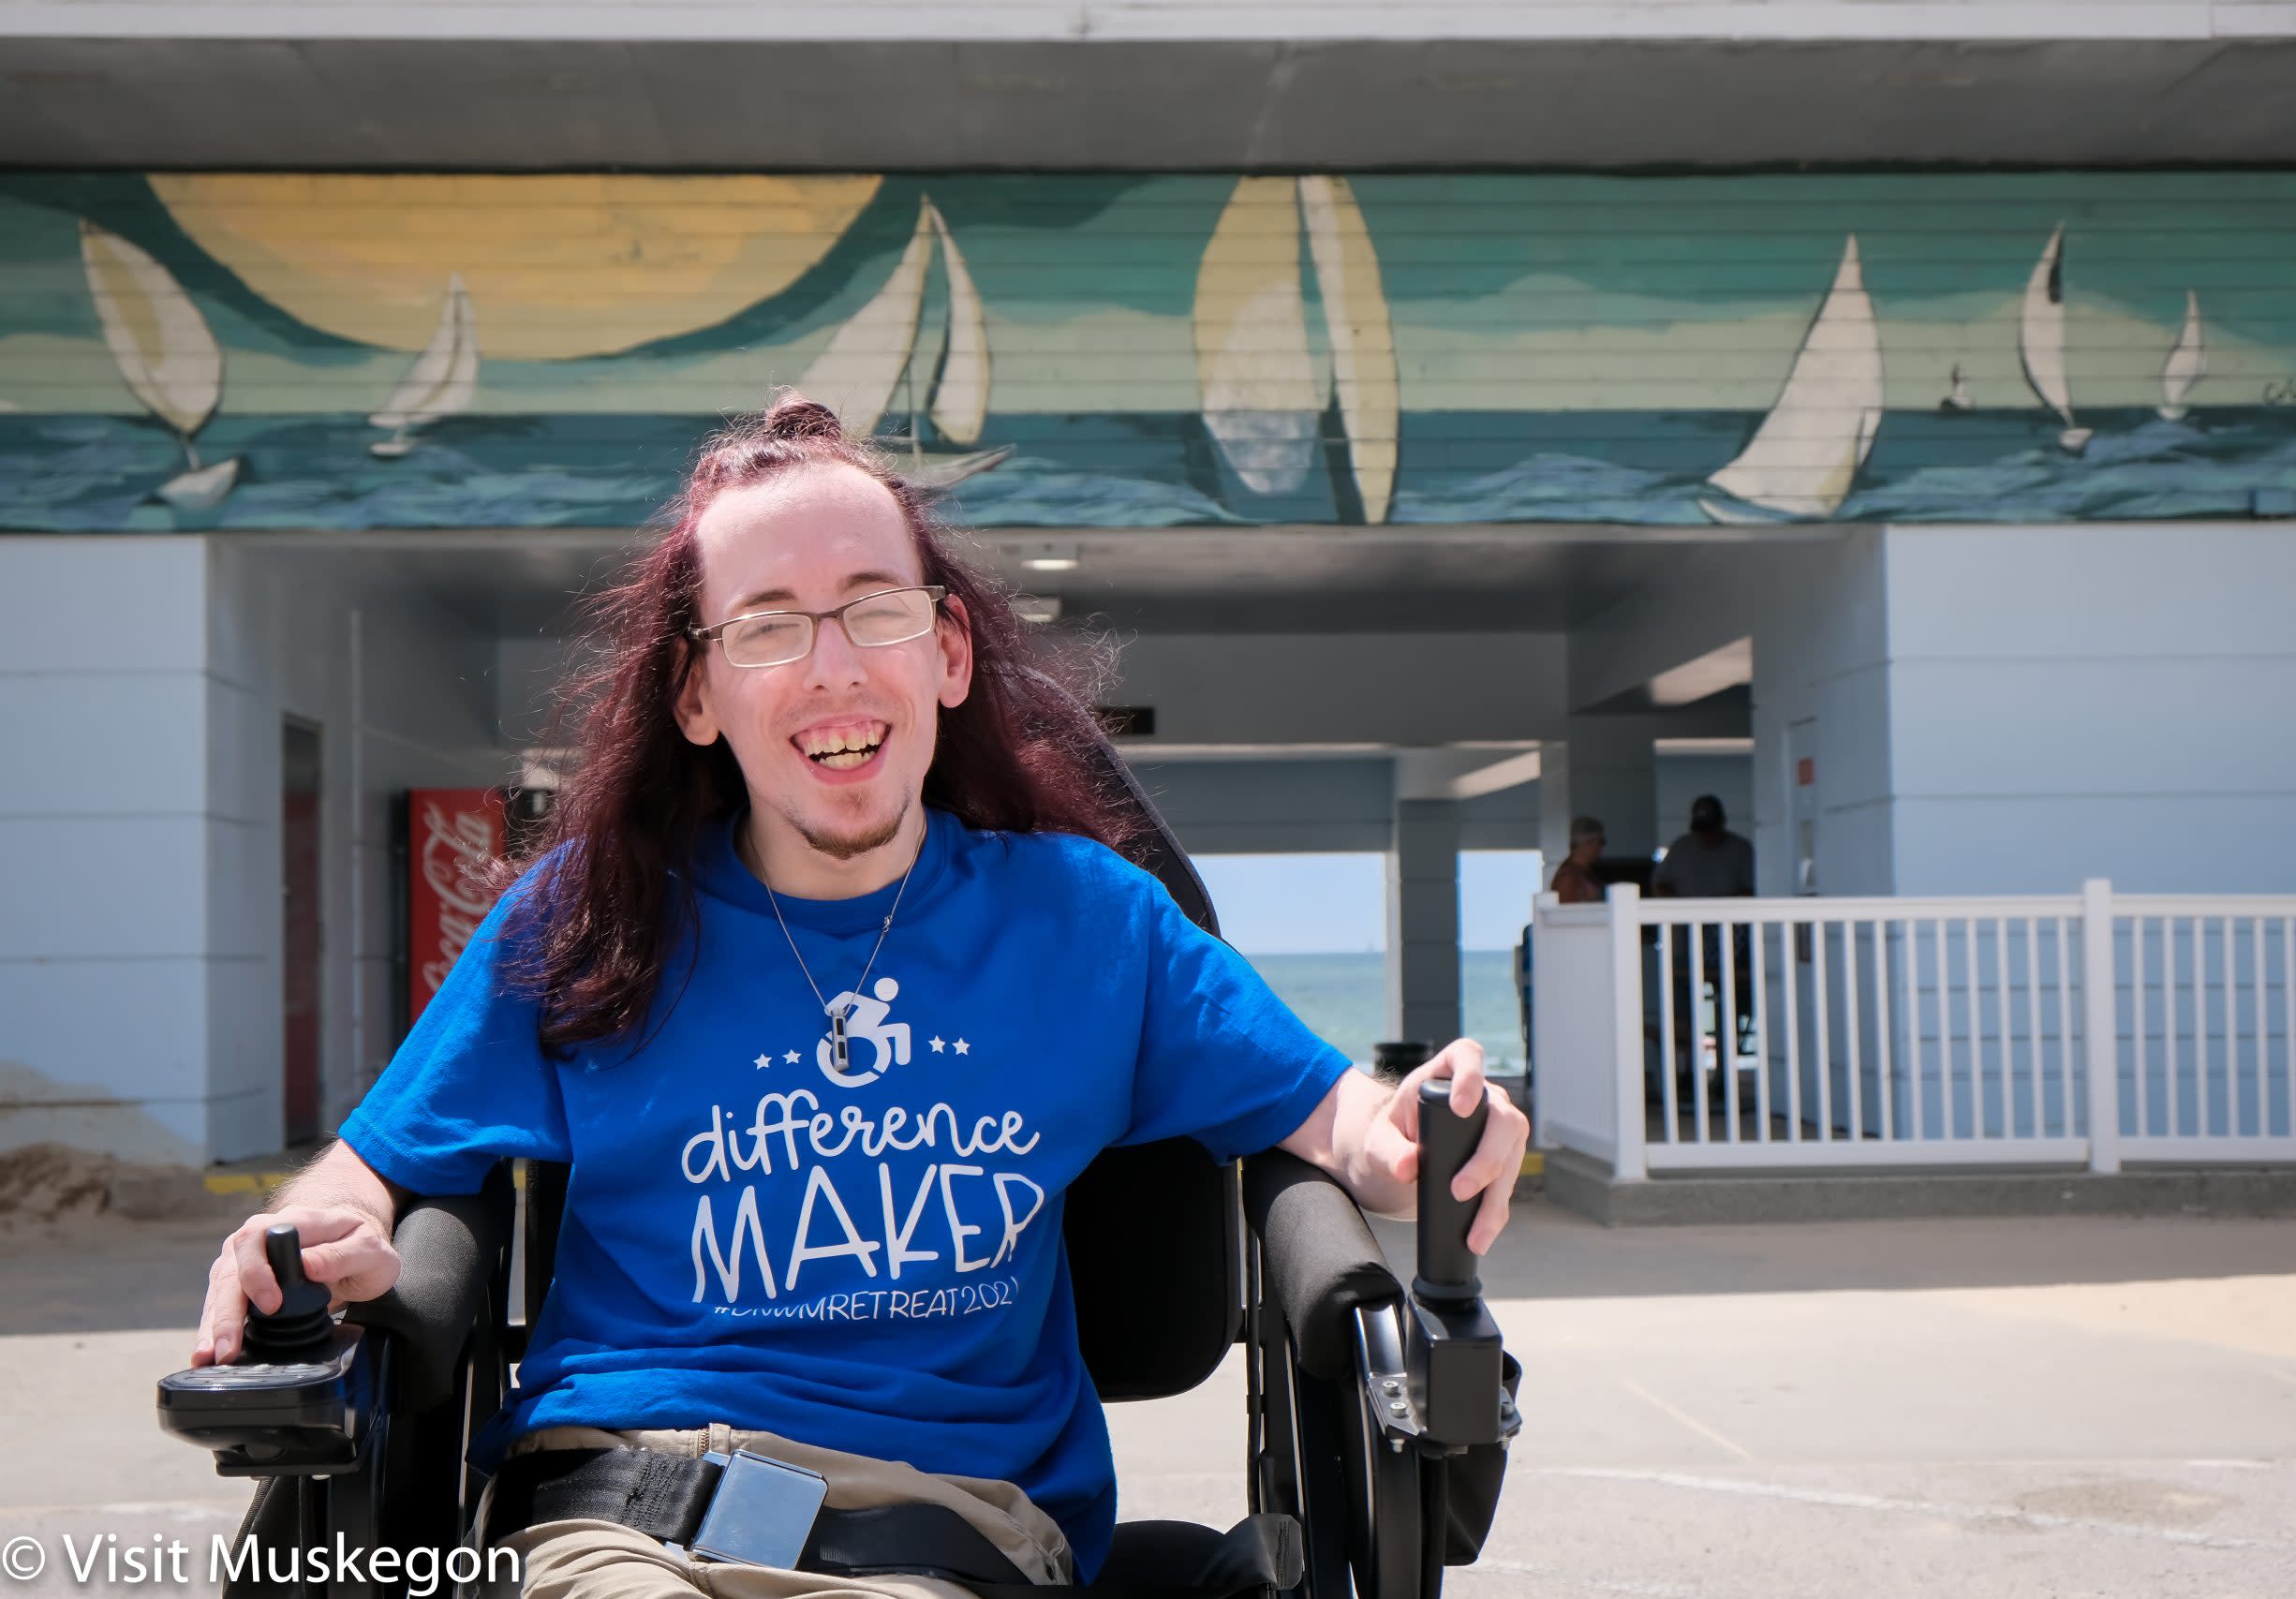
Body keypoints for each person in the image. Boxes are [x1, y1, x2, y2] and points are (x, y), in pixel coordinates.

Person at [189, 394, 1527, 1599]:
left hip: (939, 1530)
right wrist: (298, 1238)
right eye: (768, 625)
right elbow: (362, 1174)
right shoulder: (591, 920)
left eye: (872, 606)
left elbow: (1341, 1124)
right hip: (615, 1517)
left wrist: (1417, 1133)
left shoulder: (1091, 921)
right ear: (699, 690)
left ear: (946, 651)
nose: (831, 668)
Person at [1651, 795, 1755, 1089]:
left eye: (1710, 828)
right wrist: (1680, 906)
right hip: (1684, 950)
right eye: (1701, 829)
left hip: (1733, 952)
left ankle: (1724, 1076)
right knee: (1682, 1014)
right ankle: (1685, 1073)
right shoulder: (1681, 848)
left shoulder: (1740, 850)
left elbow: (1751, 890)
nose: (1706, 835)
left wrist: (1719, 909)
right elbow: (1660, 883)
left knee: (1732, 1012)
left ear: (1722, 823)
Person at [1548, 815, 1606, 903]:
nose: (1600, 848)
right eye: (1600, 842)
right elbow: (1566, 913)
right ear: (1588, 842)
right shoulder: (1568, 877)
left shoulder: (1583, 872)